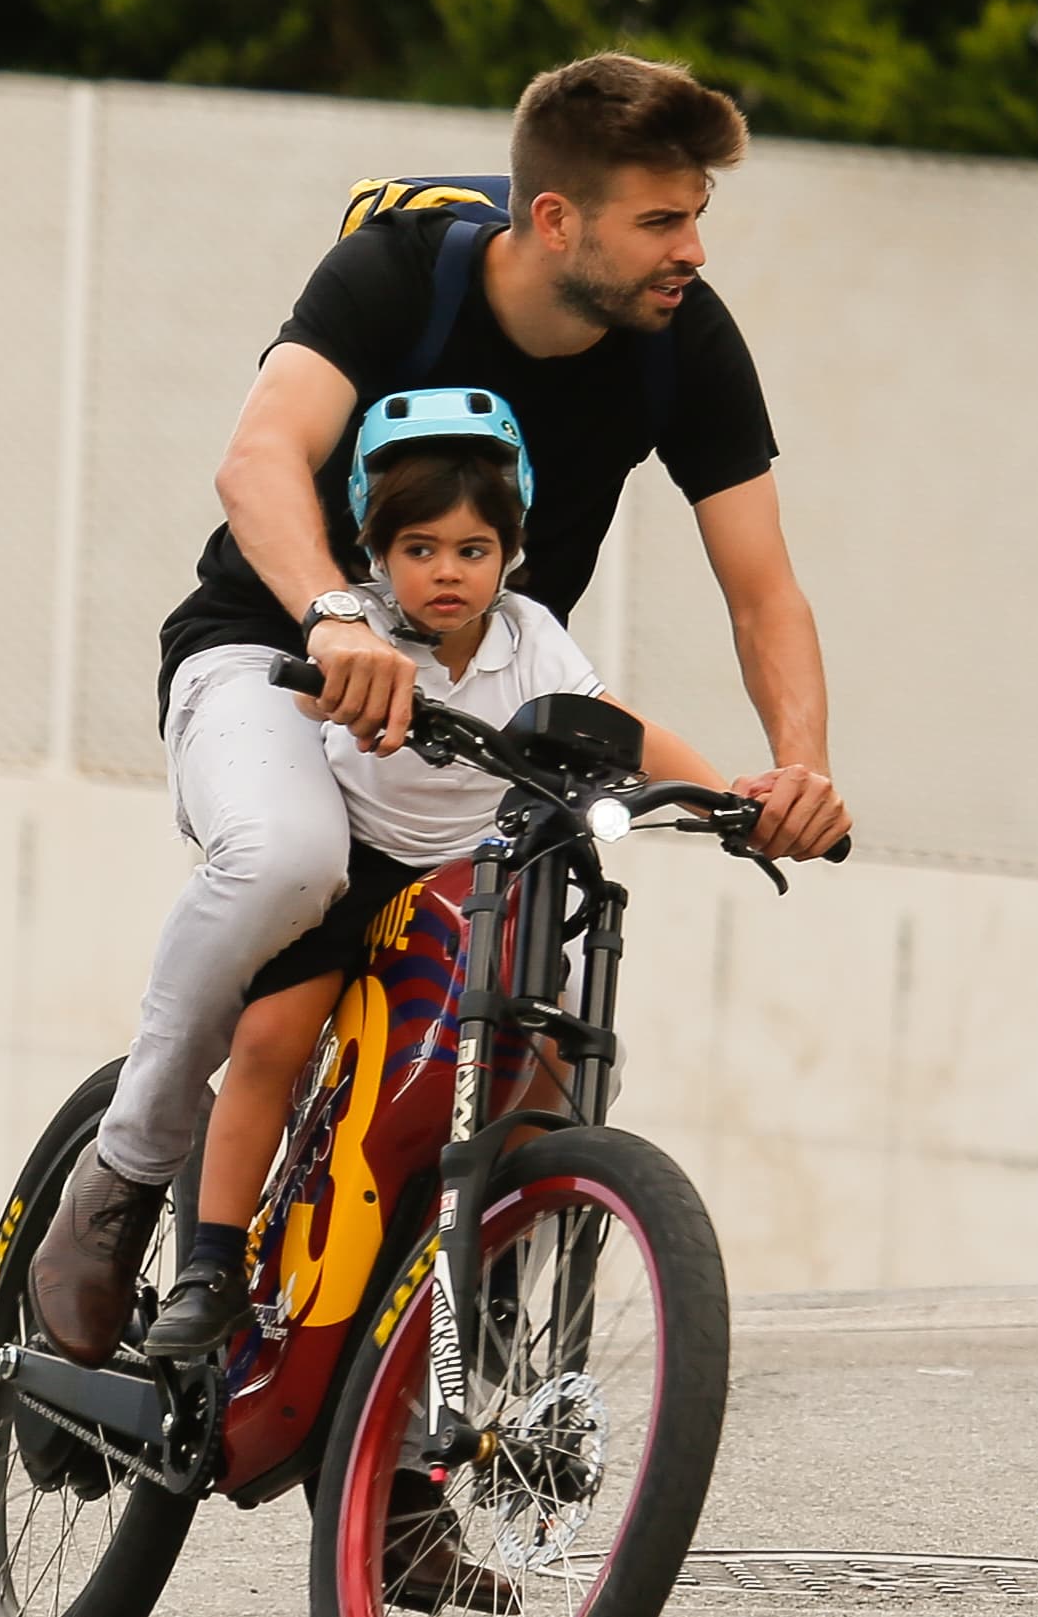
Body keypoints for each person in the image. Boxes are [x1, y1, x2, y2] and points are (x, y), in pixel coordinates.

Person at [29, 50, 851, 1376]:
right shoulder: (397, 276)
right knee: (285, 860)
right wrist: (331, 616)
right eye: (660, 218)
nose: (690, 249)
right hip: (272, 660)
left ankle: (430, 1416)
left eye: (697, 215)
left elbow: (762, 591)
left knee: (539, 1028)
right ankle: (119, 1187)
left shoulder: (681, 339)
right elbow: (257, 457)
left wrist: (793, 771)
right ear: (552, 219)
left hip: (481, 705)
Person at [139, 386, 742, 1360]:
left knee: (545, 1052)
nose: (449, 573)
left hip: (477, 880)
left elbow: (626, 731)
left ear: (512, 551)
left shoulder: (533, 638)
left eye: (473, 550)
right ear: (377, 551)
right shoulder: (358, 629)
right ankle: (209, 1265)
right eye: (420, 549)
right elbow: (304, 708)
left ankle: (496, 1270)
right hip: (364, 870)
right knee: (274, 1034)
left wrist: (727, 803)